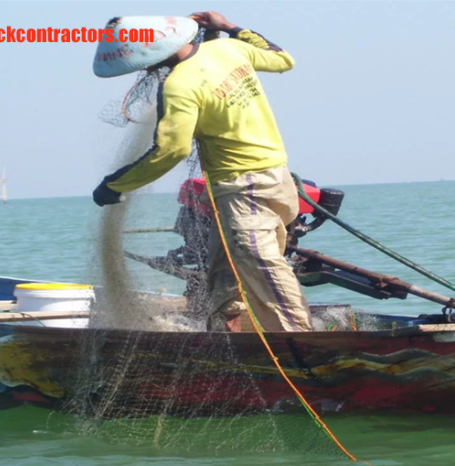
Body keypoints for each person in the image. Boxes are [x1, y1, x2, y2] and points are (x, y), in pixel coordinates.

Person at [92, 12, 312, 332]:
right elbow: (283, 59)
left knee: (263, 269)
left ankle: (301, 345)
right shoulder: (227, 49)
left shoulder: (179, 86)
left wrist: (114, 185)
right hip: (276, 180)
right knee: (225, 269)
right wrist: (228, 28)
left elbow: (171, 150)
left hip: (243, 189)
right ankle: (227, 337)